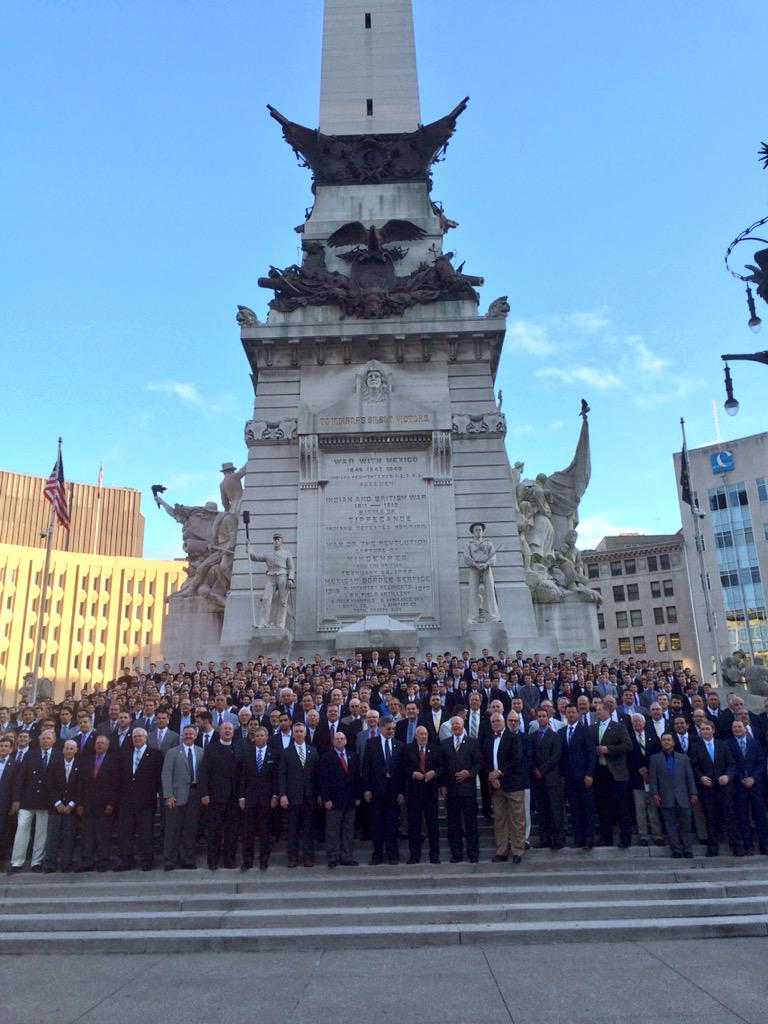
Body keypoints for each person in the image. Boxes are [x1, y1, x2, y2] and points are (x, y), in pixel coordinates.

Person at [689, 719, 741, 857]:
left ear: (713, 730)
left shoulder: (722, 745)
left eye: (707, 729)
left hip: (724, 788)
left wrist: (728, 776)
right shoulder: (695, 746)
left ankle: (735, 845)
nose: (705, 731)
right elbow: (693, 766)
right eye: (703, 729)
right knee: (710, 817)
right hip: (708, 788)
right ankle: (713, 847)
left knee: (729, 816)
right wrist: (701, 777)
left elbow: (731, 763)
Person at [114, 727, 163, 871]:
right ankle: (126, 860)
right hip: (126, 800)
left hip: (146, 800)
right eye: (135, 737)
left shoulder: (155, 754)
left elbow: (158, 777)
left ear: (146, 738)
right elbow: (119, 777)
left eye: (140, 736)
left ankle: (147, 860)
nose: (137, 739)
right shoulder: (124, 754)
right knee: (125, 832)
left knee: (145, 832)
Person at [9, 728, 57, 873]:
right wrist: (16, 799)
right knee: (22, 828)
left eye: (48, 738)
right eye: (43, 738)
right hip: (27, 799)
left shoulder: (58, 755)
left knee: (41, 832)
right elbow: (21, 778)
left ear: (53, 740)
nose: (45, 741)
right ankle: (16, 862)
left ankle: (37, 861)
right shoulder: (30, 754)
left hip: (46, 800)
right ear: (39, 740)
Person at [361, 716, 405, 865]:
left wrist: (401, 792)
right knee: (377, 824)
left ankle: (393, 854)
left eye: (392, 729)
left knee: (392, 824)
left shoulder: (399, 745)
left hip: (393, 791)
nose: (391, 731)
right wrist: (366, 789)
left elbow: (401, 770)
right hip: (376, 791)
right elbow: (366, 768)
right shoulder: (371, 744)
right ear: (380, 728)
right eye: (388, 728)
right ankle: (377, 854)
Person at [198, 721, 240, 870]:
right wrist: (204, 793)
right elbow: (204, 772)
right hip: (215, 797)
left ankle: (229, 860)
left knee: (231, 832)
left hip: (233, 798)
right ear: (219, 732)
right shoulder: (211, 748)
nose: (228, 731)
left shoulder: (237, 748)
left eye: (230, 729)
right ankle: (213, 861)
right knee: (214, 831)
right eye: (225, 729)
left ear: (233, 733)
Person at [440, 714, 482, 863]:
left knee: (471, 823)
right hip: (451, 791)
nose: (455, 726)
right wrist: (442, 784)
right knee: (453, 824)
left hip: (468, 790)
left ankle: (473, 853)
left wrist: (469, 773)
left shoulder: (473, 742)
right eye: (453, 724)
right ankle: (456, 853)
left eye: (458, 724)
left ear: (463, 724)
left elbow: (479, 763)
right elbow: (442, 767)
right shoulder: (444, 744)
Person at [484, 711, 525, 862]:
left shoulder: (513, 737)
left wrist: (499, 773)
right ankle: (501, 851)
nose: (495, 723)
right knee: (500, 820)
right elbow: (485, 760)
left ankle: (517, 851)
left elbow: (516, 758)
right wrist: (491, 776)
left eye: (498, 721)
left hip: (512, 784)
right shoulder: (488, 740)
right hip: (496, 786)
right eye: (493, 722)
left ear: (504, 722)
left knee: (516, 820)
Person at [162, 725, 204, 870]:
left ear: (196, 736)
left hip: (194, 795)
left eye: (191, 734)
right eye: (186, 734)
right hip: (176, 796)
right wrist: (168, 795)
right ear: (182, 735)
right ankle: (170, 860)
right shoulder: (172, 752)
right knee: (172, 830)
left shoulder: (201, 752)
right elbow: (166, 775)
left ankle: (188, 859)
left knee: (190, 830)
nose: (188, 736)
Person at [649, 733, 698, 858]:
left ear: (673, 742)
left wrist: (693, 792)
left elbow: (689, 777)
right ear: (661, 742)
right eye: (664, 740)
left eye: (668, 740)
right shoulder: (655, 759)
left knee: (686, 824)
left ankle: (687, 849)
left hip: (683, 796)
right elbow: (653, 779)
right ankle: (676, 849)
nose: (666, 742)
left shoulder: (683, 758)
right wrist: (654, 793)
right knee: (670, 825)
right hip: (666, 796)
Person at [591, 701, 633, 848]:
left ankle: (625, 838)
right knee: (603, 808)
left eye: (600, 710)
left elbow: (628, 746)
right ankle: (606, 837)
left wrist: (608, 749)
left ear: (608, 711)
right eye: (596, 710)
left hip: (616, 773)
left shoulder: (619, 727)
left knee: (621, 806)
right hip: (600, 773)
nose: (597, 712)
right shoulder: (593, 728)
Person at [278, 721, 319, 868]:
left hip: (309, 796)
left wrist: (318, 794)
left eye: (301, 731)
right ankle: (292, 858)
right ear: (293, 734)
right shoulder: (286, 752)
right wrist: (282, 794)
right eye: (296, 732)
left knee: (308, 829)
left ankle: (308, 858)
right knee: (292, 830)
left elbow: (316, 775)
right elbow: (282, 775)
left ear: (305, 733)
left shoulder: (313, 751)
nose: (299, 734)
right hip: (292, 796)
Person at [76, 734, 118, 872]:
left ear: (107, 746)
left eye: (102, 743)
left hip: (104, 805)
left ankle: (102, 861)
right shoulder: (86, 761)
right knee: (87, 835)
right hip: (87, 804)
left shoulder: (113, 761)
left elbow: (115, 785)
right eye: (97, 743)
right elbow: (80, 784)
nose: (99, 745)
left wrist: (111, 803)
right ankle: (87, 861)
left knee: (103, 835)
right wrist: (80, 804)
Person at [238, 726, 279, 871]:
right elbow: (242, 777)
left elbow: (276, 777)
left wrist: (275, 795)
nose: (260, 738)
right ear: (253, 737)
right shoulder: (247, 753)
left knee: (265, 832)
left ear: (267, 737)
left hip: (266, 799)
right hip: (249, 798)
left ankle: (263, 861)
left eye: (262, 735)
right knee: (247, 832)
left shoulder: (273, 754)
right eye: (257, 735)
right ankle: (247, 861)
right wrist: (241, 796)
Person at [319, 730, 359, 869]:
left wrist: (357, 796)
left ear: (346, 741)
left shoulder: (353, 756)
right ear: (333, 741)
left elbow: (356, 779)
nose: (340, 741)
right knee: (332, 831)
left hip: (350, 800)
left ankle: (346, 857)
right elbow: (323, 780)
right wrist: (326, 799)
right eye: (337, 739)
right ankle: (333, 857)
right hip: (333, 800)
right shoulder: (326, 757)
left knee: (348, 830)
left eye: (342, 738)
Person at [727, 720, 768, 856]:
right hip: (739, 786)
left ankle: (764, 845)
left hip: (756, 785)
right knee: (742, 817)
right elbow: (730, 764)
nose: (737, 729)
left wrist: (753, 778)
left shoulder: (755, 743)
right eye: (734, 727)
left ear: (745, 728)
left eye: (739, 726)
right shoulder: (728, 744)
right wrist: (741, 778)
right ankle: (748, 845)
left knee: (760, 817)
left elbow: (761, 762)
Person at [559, 704, 595, 850]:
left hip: (584, 777)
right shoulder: (561, 732)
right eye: (569, 712)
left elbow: (591, 754)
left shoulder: (585, 731)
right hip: (569, 778)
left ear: (578, 714)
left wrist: (590, 774)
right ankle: (578, 838)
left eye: (573, 712)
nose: (571, 714)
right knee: (574, 809)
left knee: (587, 808)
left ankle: (589, 838)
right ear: (565, 714)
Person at [404, 724, 441, 865]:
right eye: (421, 734)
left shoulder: (435, 749)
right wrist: (412, 773)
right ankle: (414, 855)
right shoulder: (408, 749)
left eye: (425, 734)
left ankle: (434, 855)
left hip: (430, 792)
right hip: (414, 792)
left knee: (433, 825)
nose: (424, 736)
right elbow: (402, 767)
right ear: (415, 736)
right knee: (414, 825)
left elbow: (442, 766)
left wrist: (435, 773)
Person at [44, 738, 80, 872]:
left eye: (72, 748)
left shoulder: (80, 765)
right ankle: (50, 864)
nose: (69, 751)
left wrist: (71, 804)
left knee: (68, 836)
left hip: (71, 808)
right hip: (56, 807)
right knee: (52, 836)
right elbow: (49, 785)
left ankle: (66, 863)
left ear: (76, 750)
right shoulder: (54, 764)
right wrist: (57, 803)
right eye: (67, 748)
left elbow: (80, 787)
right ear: (63, 750)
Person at [530, 707, 565, 849]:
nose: (542, 718)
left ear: (548, 717)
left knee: (555, 811)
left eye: (544, 716)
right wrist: (535, 770)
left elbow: (556, 756)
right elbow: (530, 756)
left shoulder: (555, 736)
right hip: (538, 780)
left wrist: (542, 770)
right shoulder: (532, 737)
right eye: (539, 716)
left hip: (551, 779)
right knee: (542, 812)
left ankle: (558, 840)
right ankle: (544, 839)